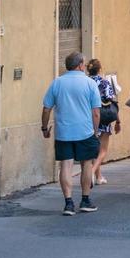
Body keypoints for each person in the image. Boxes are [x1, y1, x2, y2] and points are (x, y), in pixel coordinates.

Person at [41, 51, 102, 216]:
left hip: (63, 132)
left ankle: (68, 203)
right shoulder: (90, 84)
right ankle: (85, 200)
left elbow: (47, 108)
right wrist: (95, 132)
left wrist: (44, 128)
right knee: (86, 164)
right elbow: (96, 112)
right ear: (81, 65)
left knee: (66, 166)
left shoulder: (57, 83)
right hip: (85, 131)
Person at [87, 59, 120, 184]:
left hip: (88, 118)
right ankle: (91, 172)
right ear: (100, 69)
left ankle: (99, 177)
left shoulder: (86, 82)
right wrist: (118, 121)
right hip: (103, 118)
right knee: (102, 150)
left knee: (94, 150)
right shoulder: (105, 82)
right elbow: (112, 102)